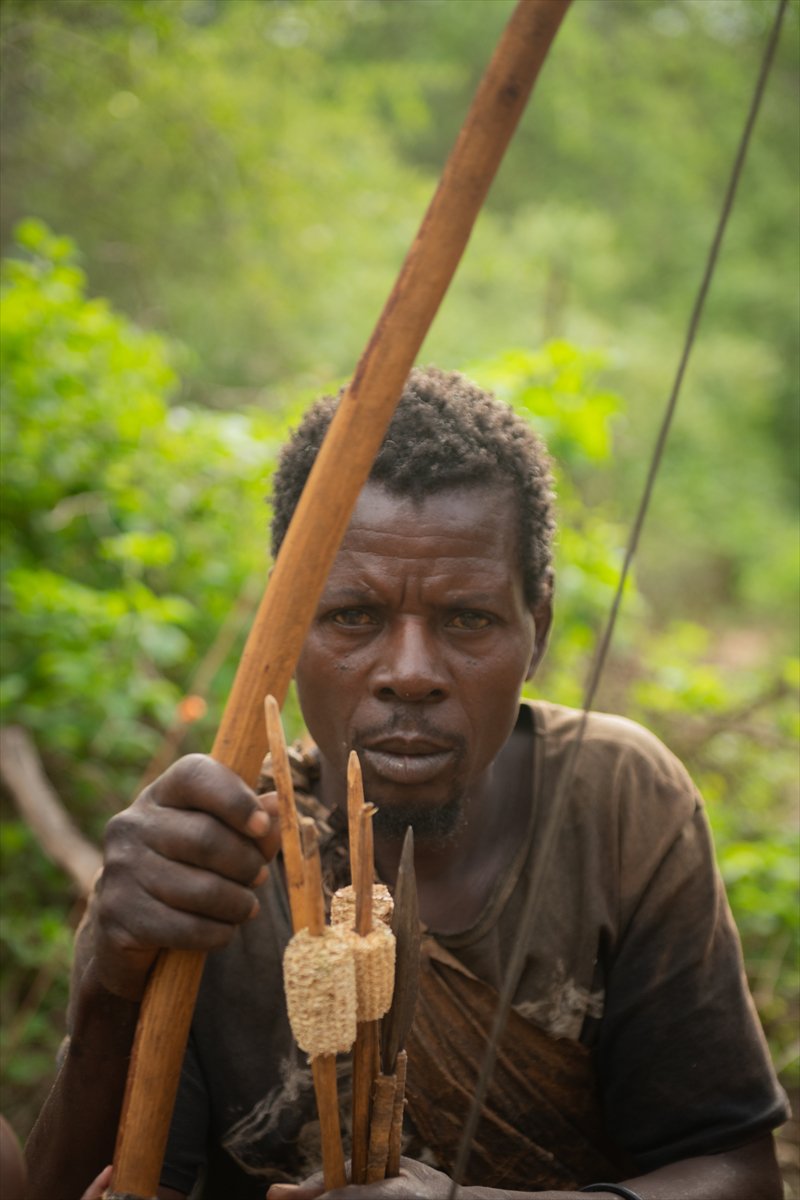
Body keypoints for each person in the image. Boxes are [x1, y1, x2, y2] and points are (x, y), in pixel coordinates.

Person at [26, 368, 788, 1199]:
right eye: (354, 616)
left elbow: (739, 1175)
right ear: (285, 630)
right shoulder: (212, 860)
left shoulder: (621, 803)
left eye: (468, 619)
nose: (412, 672)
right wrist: (108, 987)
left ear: (536, 631)